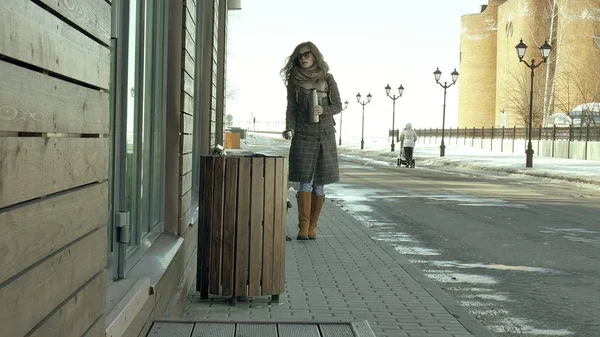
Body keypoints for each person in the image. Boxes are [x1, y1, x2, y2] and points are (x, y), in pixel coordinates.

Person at [280, 41, 343, 240]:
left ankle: (313, 226)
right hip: (304, 135)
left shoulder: (327, 79)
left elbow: (338, 105)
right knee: (305, 181)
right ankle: (303, 227)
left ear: (314, 55)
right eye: (300, 56)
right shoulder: (294, 81)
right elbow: (291, 108)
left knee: (320, 183)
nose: (303, 58)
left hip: (325, 135)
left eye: (307, 54)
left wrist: (324, 110)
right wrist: (289, 128)